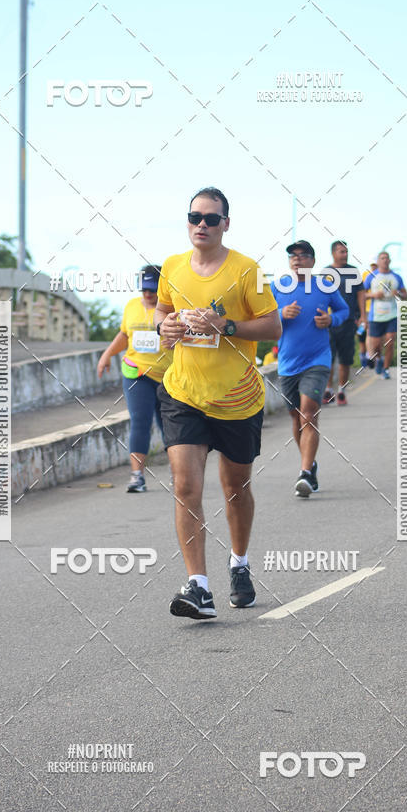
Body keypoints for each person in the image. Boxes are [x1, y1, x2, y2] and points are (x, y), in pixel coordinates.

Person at [154, 187, 281, 620]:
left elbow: (273, 327)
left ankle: (240, 563)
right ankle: (198, 587)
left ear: (226, 223)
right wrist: (165, 326)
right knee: (186, 485)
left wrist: (225, 323)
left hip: (236, 398)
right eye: (194, 217)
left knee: (235, 487)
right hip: (183, 392)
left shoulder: (248, 270)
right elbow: (161, 314)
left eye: (211, 218)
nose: (201, 225)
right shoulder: (171, 266)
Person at [272, 240, 349, 496]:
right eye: (292, 256)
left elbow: (343, 310)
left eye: (303, 255)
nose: (297, 260)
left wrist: (331, 319)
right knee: (296, 418)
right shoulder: (278, 287)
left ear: (313, 261)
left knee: (308, 413)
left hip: (317, 359)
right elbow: (262, 317)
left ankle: (305, 474)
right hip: (287, 362)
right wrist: (282, 313)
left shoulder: (325, 285)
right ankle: (311, 463)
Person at [97, 266, 172, 492]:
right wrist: (107, 354)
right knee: (140, 421)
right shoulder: (131, 306)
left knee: (168, 425)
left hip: (168, 376)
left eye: (152, 289)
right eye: (144, 289)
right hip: (136, 373)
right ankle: (137, 476)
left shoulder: (172, 309)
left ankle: (179, 474)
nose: (147, 294)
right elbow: (124, 334)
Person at [322, 240, 365, 405]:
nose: (345, 254)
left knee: (345, 359)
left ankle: (341, 390)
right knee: (329, 358)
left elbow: (361, 294)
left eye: (346, 251)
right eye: (341, 251)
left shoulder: (353, 272)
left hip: (348, 321)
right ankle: (328, 390)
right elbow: (321, 295)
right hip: (330, 322)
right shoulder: (326, 272)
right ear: (333, 253)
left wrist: (363, 316)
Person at [364, 251, 407, 378]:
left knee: (389, 341)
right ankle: (379, 360)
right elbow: (362, 294)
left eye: (387, 258)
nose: (385, 260)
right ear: (378, 261)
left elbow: (405, 295)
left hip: (392, 315)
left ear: (390, 261)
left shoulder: (396, 277)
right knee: (376, 345)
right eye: (382, 258)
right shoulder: (372, 276)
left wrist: (398, 293)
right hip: (376, 316)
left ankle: (386, 369)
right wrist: (373, 295)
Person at [358, 260, 377, 368]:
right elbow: (361, 293)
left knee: (371, 334)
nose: (374, 267)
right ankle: (363, 360)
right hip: (364, 310)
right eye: (372, 265)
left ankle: (371, 358)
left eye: (375, 265)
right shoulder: (365, 275)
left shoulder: (381, 275)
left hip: (376, 311)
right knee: (361, 335)